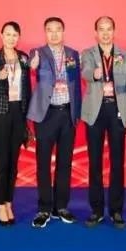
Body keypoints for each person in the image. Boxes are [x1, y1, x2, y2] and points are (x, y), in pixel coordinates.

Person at [80, 16, 126, 228]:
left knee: (117, 162)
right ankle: (96, 210)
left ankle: (116, 211)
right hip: (95, 112)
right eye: (101, 29)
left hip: (117, 110)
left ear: (114, 31)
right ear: (95, 33)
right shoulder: (88, 53)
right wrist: (94, 74)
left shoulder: (124, 55)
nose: (105, 33)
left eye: (109, 29)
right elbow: (85, 72)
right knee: (94, 162)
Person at [26, 17, 82, 228]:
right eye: (49, 30)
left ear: (63, 31)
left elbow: (76, 85)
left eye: (58, 29)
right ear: (45, 33)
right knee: (43, 164)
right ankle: (44, 209)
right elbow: (31, 66)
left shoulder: (73, 54)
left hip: (67, 113)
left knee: (64, 163)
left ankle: (61, 207)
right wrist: (32, 65)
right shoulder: (37, 53)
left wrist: (76, 113)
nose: (54, 34)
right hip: (46, 115)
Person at [0, 22, 33, 226]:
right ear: (1, 35)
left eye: (14, 35)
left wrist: (27, 114)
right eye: (8, 34)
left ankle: (8, 202)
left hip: (18, 111)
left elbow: (27, 86)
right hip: (0, 112)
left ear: (18, 37)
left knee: (14, 161)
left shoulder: (24, 57)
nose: (11, 38)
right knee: (2, 161)